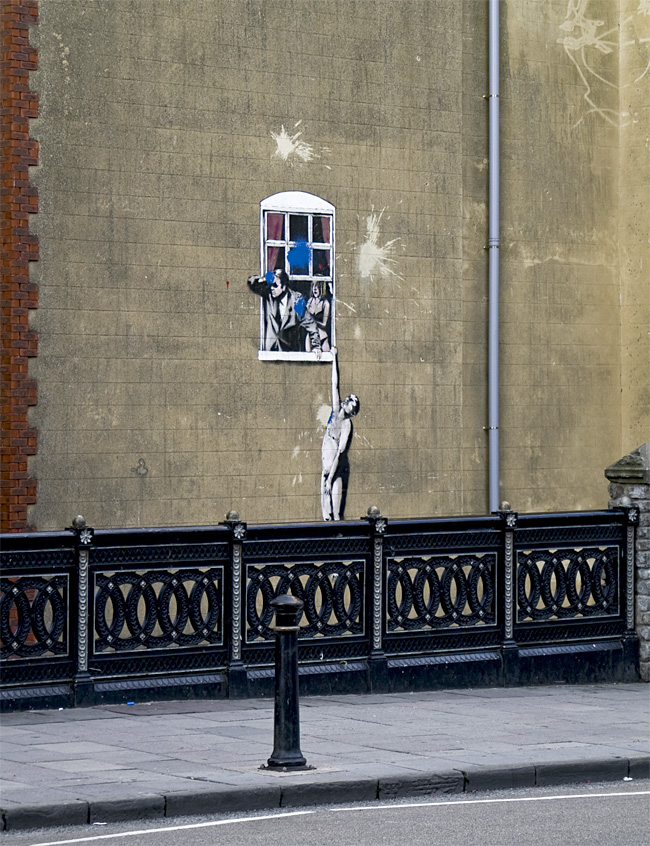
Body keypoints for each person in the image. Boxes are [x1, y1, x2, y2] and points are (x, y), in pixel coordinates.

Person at [321, 347, 359, 521]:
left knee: (336, 515)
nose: (347, 403)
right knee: (326, 516)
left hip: (335, 474)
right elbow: (334, 383)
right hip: (326, 472)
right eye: (348, 400)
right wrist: (333, 358)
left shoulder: (346, 425)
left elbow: (339, 453)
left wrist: (330, 479)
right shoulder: (335, 412)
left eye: (351, 404)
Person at [247, 269, 322, 356]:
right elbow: (251, 282)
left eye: (275, 285)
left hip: (289, 353)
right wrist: (264, 279)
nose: (272, 288)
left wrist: (316, 346)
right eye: (271, 285)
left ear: (284, 286)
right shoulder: (269, 295)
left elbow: (311, 324)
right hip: (270, 351)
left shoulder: (296, 301)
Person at [305, 281, 331, 352]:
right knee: (308, 356)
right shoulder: (310, 301)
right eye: (313, 286)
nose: (315, 289)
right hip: (311, 336)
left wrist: (313, 322)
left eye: (317, 286)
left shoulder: (325, 303)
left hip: (322, 336)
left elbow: (324, 324)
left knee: (326, 356)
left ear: (322, 287)